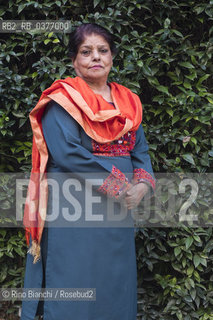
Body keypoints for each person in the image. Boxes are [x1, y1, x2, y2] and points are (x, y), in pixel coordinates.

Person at [21, 23, 155, 320]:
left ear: (112, 57)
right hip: (75, 208)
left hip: (118, 215)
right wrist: (120, 188)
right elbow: (68, 154)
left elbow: (140, 152)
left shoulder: (129, 103)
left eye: (102, 50)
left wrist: (143, 185)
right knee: (75, 280)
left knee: (114, 284)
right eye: (86, 51)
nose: (96, 57)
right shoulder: (62, 101)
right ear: (74, 60)